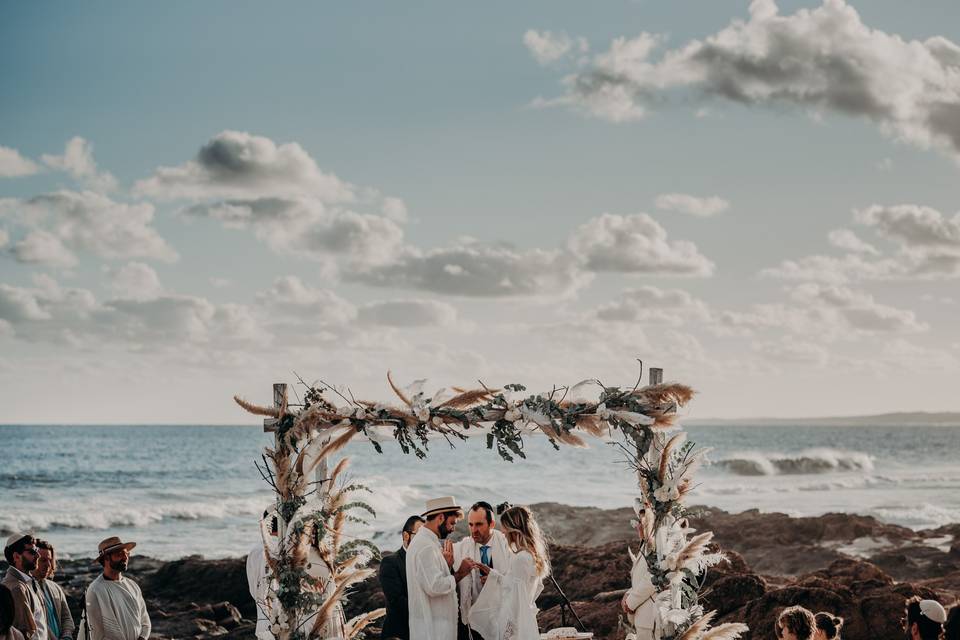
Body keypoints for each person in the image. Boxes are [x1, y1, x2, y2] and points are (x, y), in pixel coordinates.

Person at [467, 505, 549, 640]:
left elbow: (515, 600)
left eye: (504, 527)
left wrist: (508, 632)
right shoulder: (531, 555)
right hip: (525, 619)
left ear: (513, 529)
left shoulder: (520, 559)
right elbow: (525, 588)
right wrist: (494, 575)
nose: (502, 532)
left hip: (515, 625)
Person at [406, 497, 470, 640]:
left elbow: (428, 579)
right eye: (452, 523)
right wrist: (461, 573)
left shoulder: (426, 542)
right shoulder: (425, 546)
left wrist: (446, 566)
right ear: (441, 517)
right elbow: (435, 586)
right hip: (433, 631)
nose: (453, 528)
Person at [453, 502, 510, 640]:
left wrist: (495, 579)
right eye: (470, 525)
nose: (473, 530)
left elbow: (517, 580)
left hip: (503, 615)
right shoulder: (462, 548)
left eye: (479, 524)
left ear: (491, 524)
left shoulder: (506, 544)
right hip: (476, 621)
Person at [84, 537, 150, 640]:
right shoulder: (95, 590)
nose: (125, 558)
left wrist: (142, 638)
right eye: (119, 554)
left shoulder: (133, 586)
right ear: (106, 558)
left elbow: (145, 621)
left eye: (126, 553)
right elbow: (96, 633)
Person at [378, 515, 424, 640]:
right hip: (399, 634)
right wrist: (430, 608)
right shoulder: (390, 562)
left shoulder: (427, 563)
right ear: (405, 536)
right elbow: (397, 602)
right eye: (419, 536)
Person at [2, 533, 46, 640]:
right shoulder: (16, 588)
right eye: (32, 552)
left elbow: (41, 623)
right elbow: (25, 633)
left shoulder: (29, 581)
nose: (38, 555)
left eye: (36, 550)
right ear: (16, 556)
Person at [31, 541, 74, 640]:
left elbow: (66, 618)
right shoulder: (26, 589)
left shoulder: (55, 588)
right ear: (34, 560)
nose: (48, 565)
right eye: (43, 560)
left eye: (50, 560)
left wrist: (67, 636)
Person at [246, 510, 279, 640]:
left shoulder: (254, 550)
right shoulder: (281, 549)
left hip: (261, 612)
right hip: (281, 612)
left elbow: (253, 586)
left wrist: (261, 602)